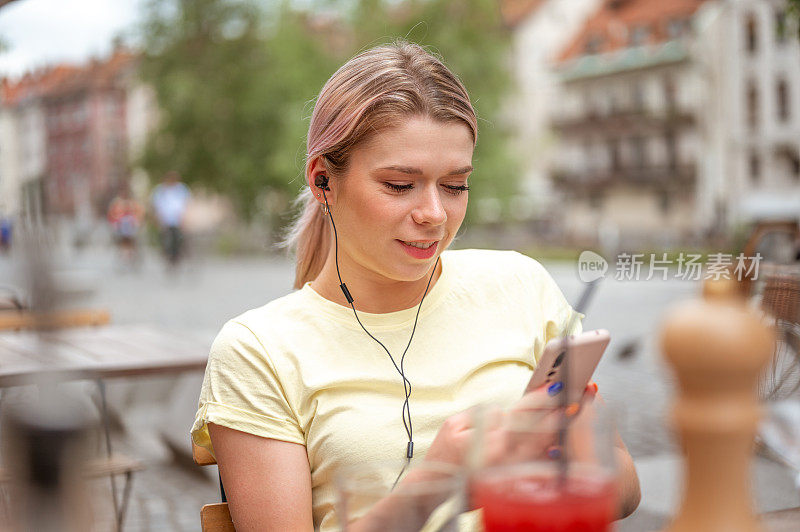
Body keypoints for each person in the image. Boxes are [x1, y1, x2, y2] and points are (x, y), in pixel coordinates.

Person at [191, 41, 640, 531]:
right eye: (399, 186)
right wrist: (434, 486)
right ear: (324, 181)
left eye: (455, 185)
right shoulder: (258, 351)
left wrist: (558, 464)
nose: (434, 214)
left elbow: (626, 486)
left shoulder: (520, 285)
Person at [150, 170, 190, 267]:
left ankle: (176, 257)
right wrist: (157, 217)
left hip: (178, 219)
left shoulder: (181, 189)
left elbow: (186, 204)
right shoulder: (160, 190)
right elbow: (156, 205)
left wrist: (185, 217)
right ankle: (167, 255)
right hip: (165, 219)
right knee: (165, 239)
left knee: (177, 239)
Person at [107, 186, 144, 268]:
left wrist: (137, 222)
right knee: (122, 242)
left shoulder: (133, 203)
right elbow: (112, 214)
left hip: (131, 226)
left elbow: (139, 213)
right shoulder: (117, 203)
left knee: (131, 242)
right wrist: (114, 223)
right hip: (120, 225)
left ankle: (131, 257)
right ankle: (124, 257)